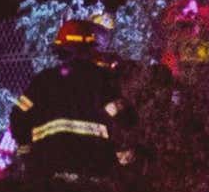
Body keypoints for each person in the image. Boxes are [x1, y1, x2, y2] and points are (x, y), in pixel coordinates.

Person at [10, 18, 136, 180]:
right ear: (90, 48)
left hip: (47, 170)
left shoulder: (42, 81)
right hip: (91, 168)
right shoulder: (100, 79)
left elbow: (18, 117)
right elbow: (123, 119)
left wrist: (27, 155)